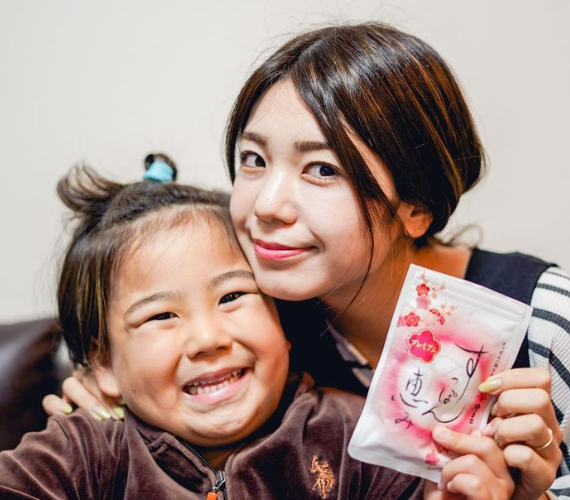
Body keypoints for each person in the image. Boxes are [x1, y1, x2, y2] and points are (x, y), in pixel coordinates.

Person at [44, 23, 570, 499]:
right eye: (254, 159)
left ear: (415, 208)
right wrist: (110, 397)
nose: (267, 206)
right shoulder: (268, 317)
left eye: (321, 169)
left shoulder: (545, 322)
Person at [0, 159, 420, 499]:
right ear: (104, 364)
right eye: (161, 316)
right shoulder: (85, 453)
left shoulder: (354, 435)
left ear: (281, 317)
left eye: (232, 296)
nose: (208, 339)